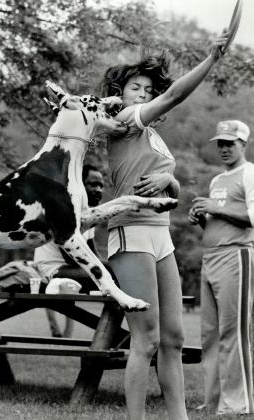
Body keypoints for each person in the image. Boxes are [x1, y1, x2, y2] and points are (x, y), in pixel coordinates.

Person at [99, 30, 229, 420]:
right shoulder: (124, 121)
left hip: (161, 234)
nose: (143, 93)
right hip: (130, 230)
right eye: (135, 87)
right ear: (120, 94)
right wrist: (210, 59)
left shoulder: (153, 135)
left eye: (147, 88)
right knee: (146, 338)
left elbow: (170, 190)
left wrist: (167, 180)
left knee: (173, 338)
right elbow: (173, 96)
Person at [188, 120, 254, 416]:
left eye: (230, 143)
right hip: (211, 256)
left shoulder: (250, 173)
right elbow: (219, 219)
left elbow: (251, 217)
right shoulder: (217, 181)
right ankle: (213, 400)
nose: (224, 148)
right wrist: (202, 215)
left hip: (236, 255)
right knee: (209, 334)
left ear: (243, 144)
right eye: (221, 143)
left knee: (233, 331)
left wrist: (215, 209)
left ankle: (238, 402)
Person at [34, 164, 105, 337]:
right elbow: (74, 257)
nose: (98, 190)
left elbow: (94, 255)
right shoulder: (65, 212)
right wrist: (107, 271)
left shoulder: (88, 215)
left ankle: (108, 334)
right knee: (113, 275)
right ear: (79, 185)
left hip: (71, 270)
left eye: (101, 186)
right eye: (93, 184)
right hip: (53, 271)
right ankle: (107, 336)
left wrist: (108, 267)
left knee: (115, 272)